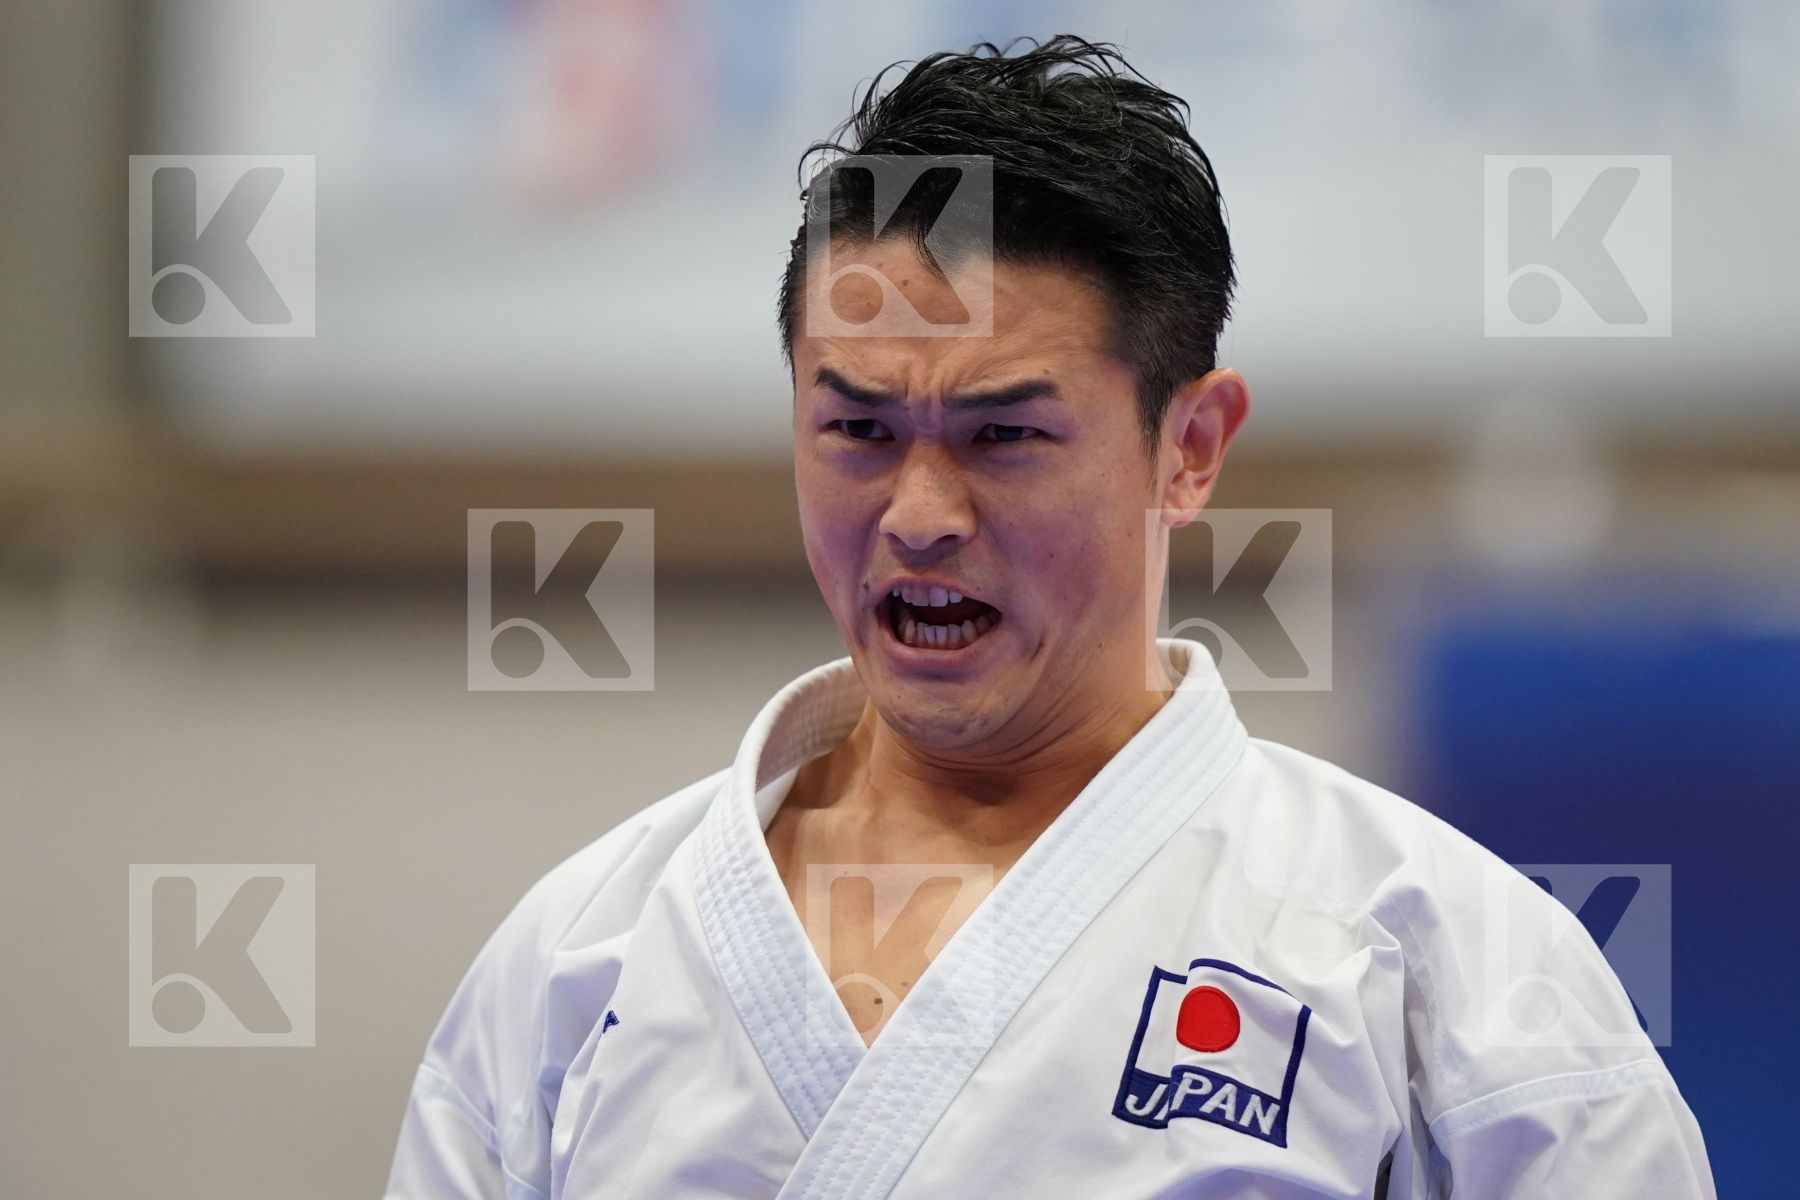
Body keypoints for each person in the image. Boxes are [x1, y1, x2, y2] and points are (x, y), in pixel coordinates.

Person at [386, 35, 1715, 1198]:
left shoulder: (1453, 973)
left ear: (1190, 445)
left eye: (1002, 434)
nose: (917, 512)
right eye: (855, 428)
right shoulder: (581, 959)